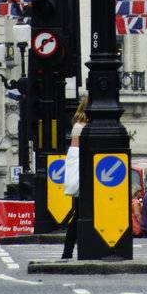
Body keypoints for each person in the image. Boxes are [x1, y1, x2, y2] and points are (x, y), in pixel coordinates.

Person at [59, 100, 89, 261]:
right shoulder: (79, 126)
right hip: (83, 176)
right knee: (78, 215)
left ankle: (70, 251)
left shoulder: (87, 125)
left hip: (89, 175)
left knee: (79, 214)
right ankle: (67, 251)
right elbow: (75, 153)